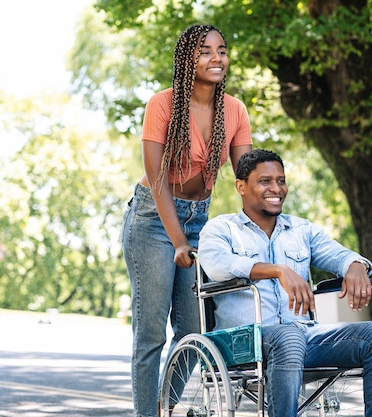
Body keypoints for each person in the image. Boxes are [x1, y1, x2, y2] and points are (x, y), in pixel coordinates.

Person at [198, 149, 372, 417]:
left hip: (303, 338)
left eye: (281, 180)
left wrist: (356, 266)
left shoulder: (301, 230)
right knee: (288, 336)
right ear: (241, 186)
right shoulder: (222, 229)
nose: (277, 188)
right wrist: (277, 270)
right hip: (242, 341)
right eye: (265, 181)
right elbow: (216, 264)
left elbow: (338, 254)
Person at [121, 24, 253, 417]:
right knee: (150, 333)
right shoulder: (161, 105)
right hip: (152, 220)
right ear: (186, 60)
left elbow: (244, 174)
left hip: (199, 220)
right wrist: (178, 240)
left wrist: (261, 223)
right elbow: (158, 176)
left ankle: (163, 405)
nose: (216, 58)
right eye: (205, 51)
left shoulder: (235, 110)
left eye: (222, 50)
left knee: (195, 329)